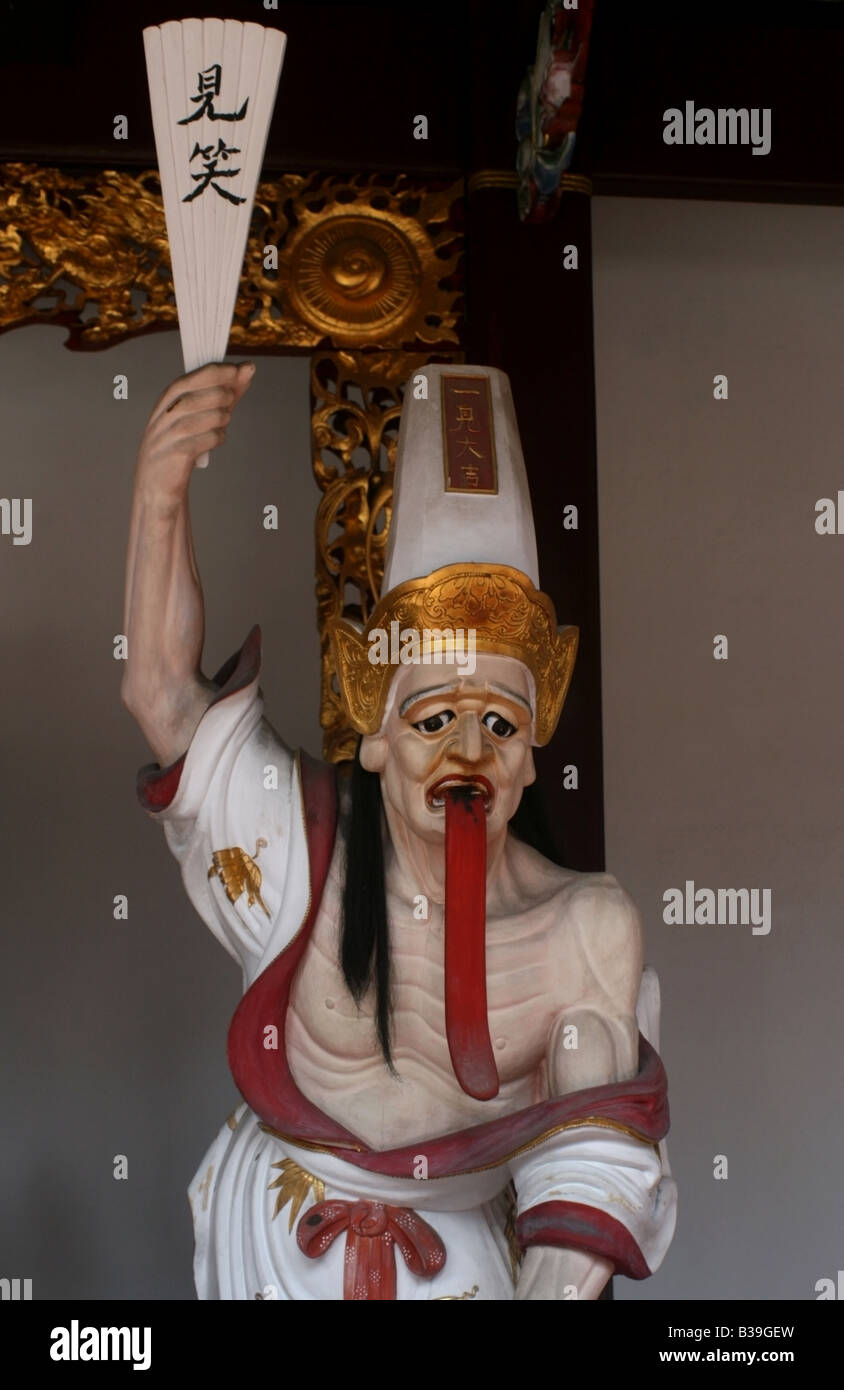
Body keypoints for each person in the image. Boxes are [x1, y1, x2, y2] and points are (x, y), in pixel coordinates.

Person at [122, 359, 677, 1300]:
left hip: (469, 1262)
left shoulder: (586, 923)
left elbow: (594, 1171)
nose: (469, 750)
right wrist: (160, 490)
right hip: (281, 1240)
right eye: (433, 721)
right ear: (376, 740)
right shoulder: (301, 844)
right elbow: (163, 694)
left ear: (533, 755)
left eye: (499, 724)